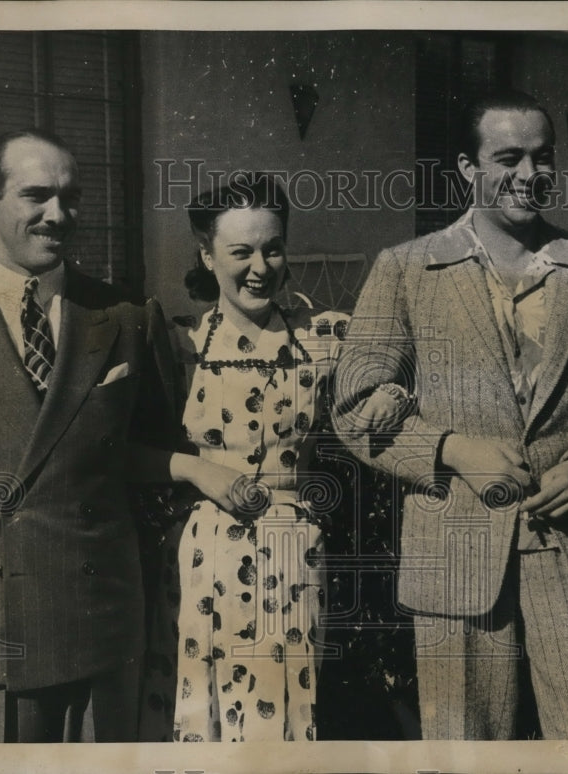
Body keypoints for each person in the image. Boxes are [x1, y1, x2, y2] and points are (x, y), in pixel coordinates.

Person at [332, 90, 568, 740]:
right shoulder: (407, 270)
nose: (528, 174)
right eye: (507, 157)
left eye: (542, 158)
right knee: (467, 752)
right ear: (466, 167)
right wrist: (451, 449)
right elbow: (354, 405)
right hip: (454, 559)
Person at [0, 128, 181, 742]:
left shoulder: (129, 317)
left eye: (70, 196)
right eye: (36, 195)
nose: (58, 215)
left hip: (100, 631)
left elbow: (157, 456)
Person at [141, 175, 407, 742]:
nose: (260, 266)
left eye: (273, 247)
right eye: (240, 251)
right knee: (198, 716)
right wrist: (196, 470)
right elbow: (131, 451)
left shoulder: (325, 338)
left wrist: (393, 390)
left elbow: (404, 358)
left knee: (283, 719)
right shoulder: (176, 345)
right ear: (207, 256)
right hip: (198, 560)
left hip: (291, 558)